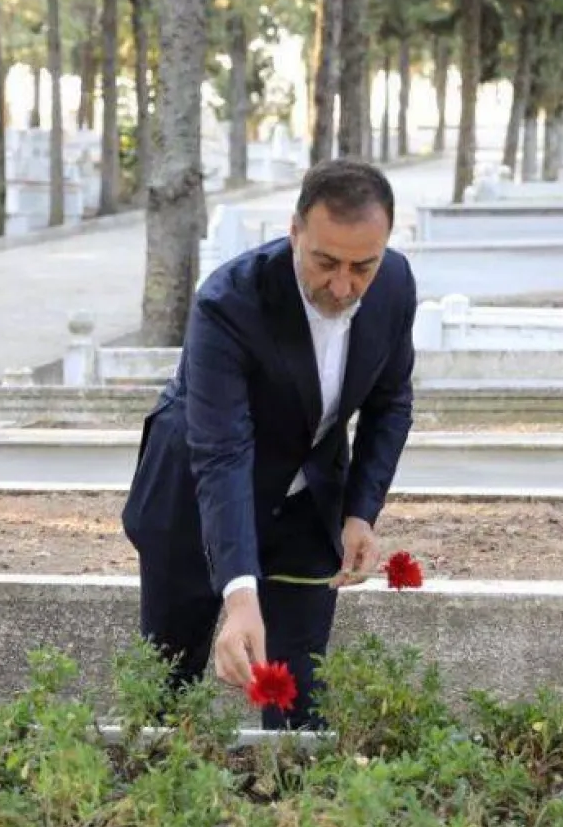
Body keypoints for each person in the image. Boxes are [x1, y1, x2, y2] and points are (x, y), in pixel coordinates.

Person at [120, 159, 417, 728]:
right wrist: (239, 592)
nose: (343, 286)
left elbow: (391, 402)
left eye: (362, 267)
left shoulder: (396, 284)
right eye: (325, 262)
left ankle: (296, 784)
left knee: (301, 701)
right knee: (166, 690)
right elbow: (222, 453)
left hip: (305, 503)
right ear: (294, 232)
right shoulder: (228, 303)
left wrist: (360, 511)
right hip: (193, 502)